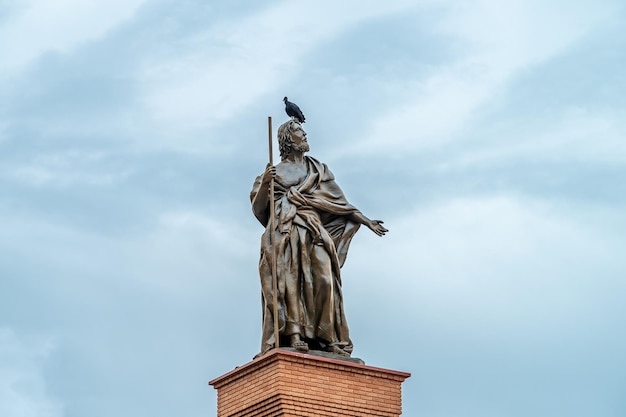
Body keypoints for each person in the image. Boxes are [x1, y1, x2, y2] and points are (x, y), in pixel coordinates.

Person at [250, 119, 387, 357]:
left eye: (303, 132)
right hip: (286, 231)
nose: (305, 135)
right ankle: (294, 334)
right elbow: (261, 210)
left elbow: (339, 204)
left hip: (314, 230)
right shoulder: (273, 172)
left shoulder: (318, 169)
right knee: (289, 283)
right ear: (288, 139)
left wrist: (366, 220)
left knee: (324, 279)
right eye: (299, 132)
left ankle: (327, 337)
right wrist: (265, 185)